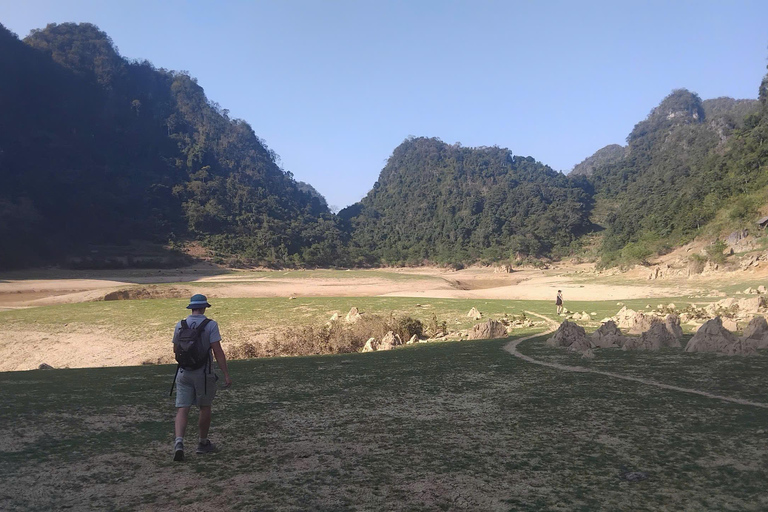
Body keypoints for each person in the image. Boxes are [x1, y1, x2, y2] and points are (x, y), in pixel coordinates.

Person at [171, 294, 232, 462]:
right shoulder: (211, 325)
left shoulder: (180, 325)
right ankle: (202, 443)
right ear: (204, 307)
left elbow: (176, 350)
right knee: (205, 407)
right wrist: (226, 373)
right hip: (203, 374)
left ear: (191, 308)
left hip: (183, 372)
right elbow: (217, 351)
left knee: (182, 408)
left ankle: (179, 443)